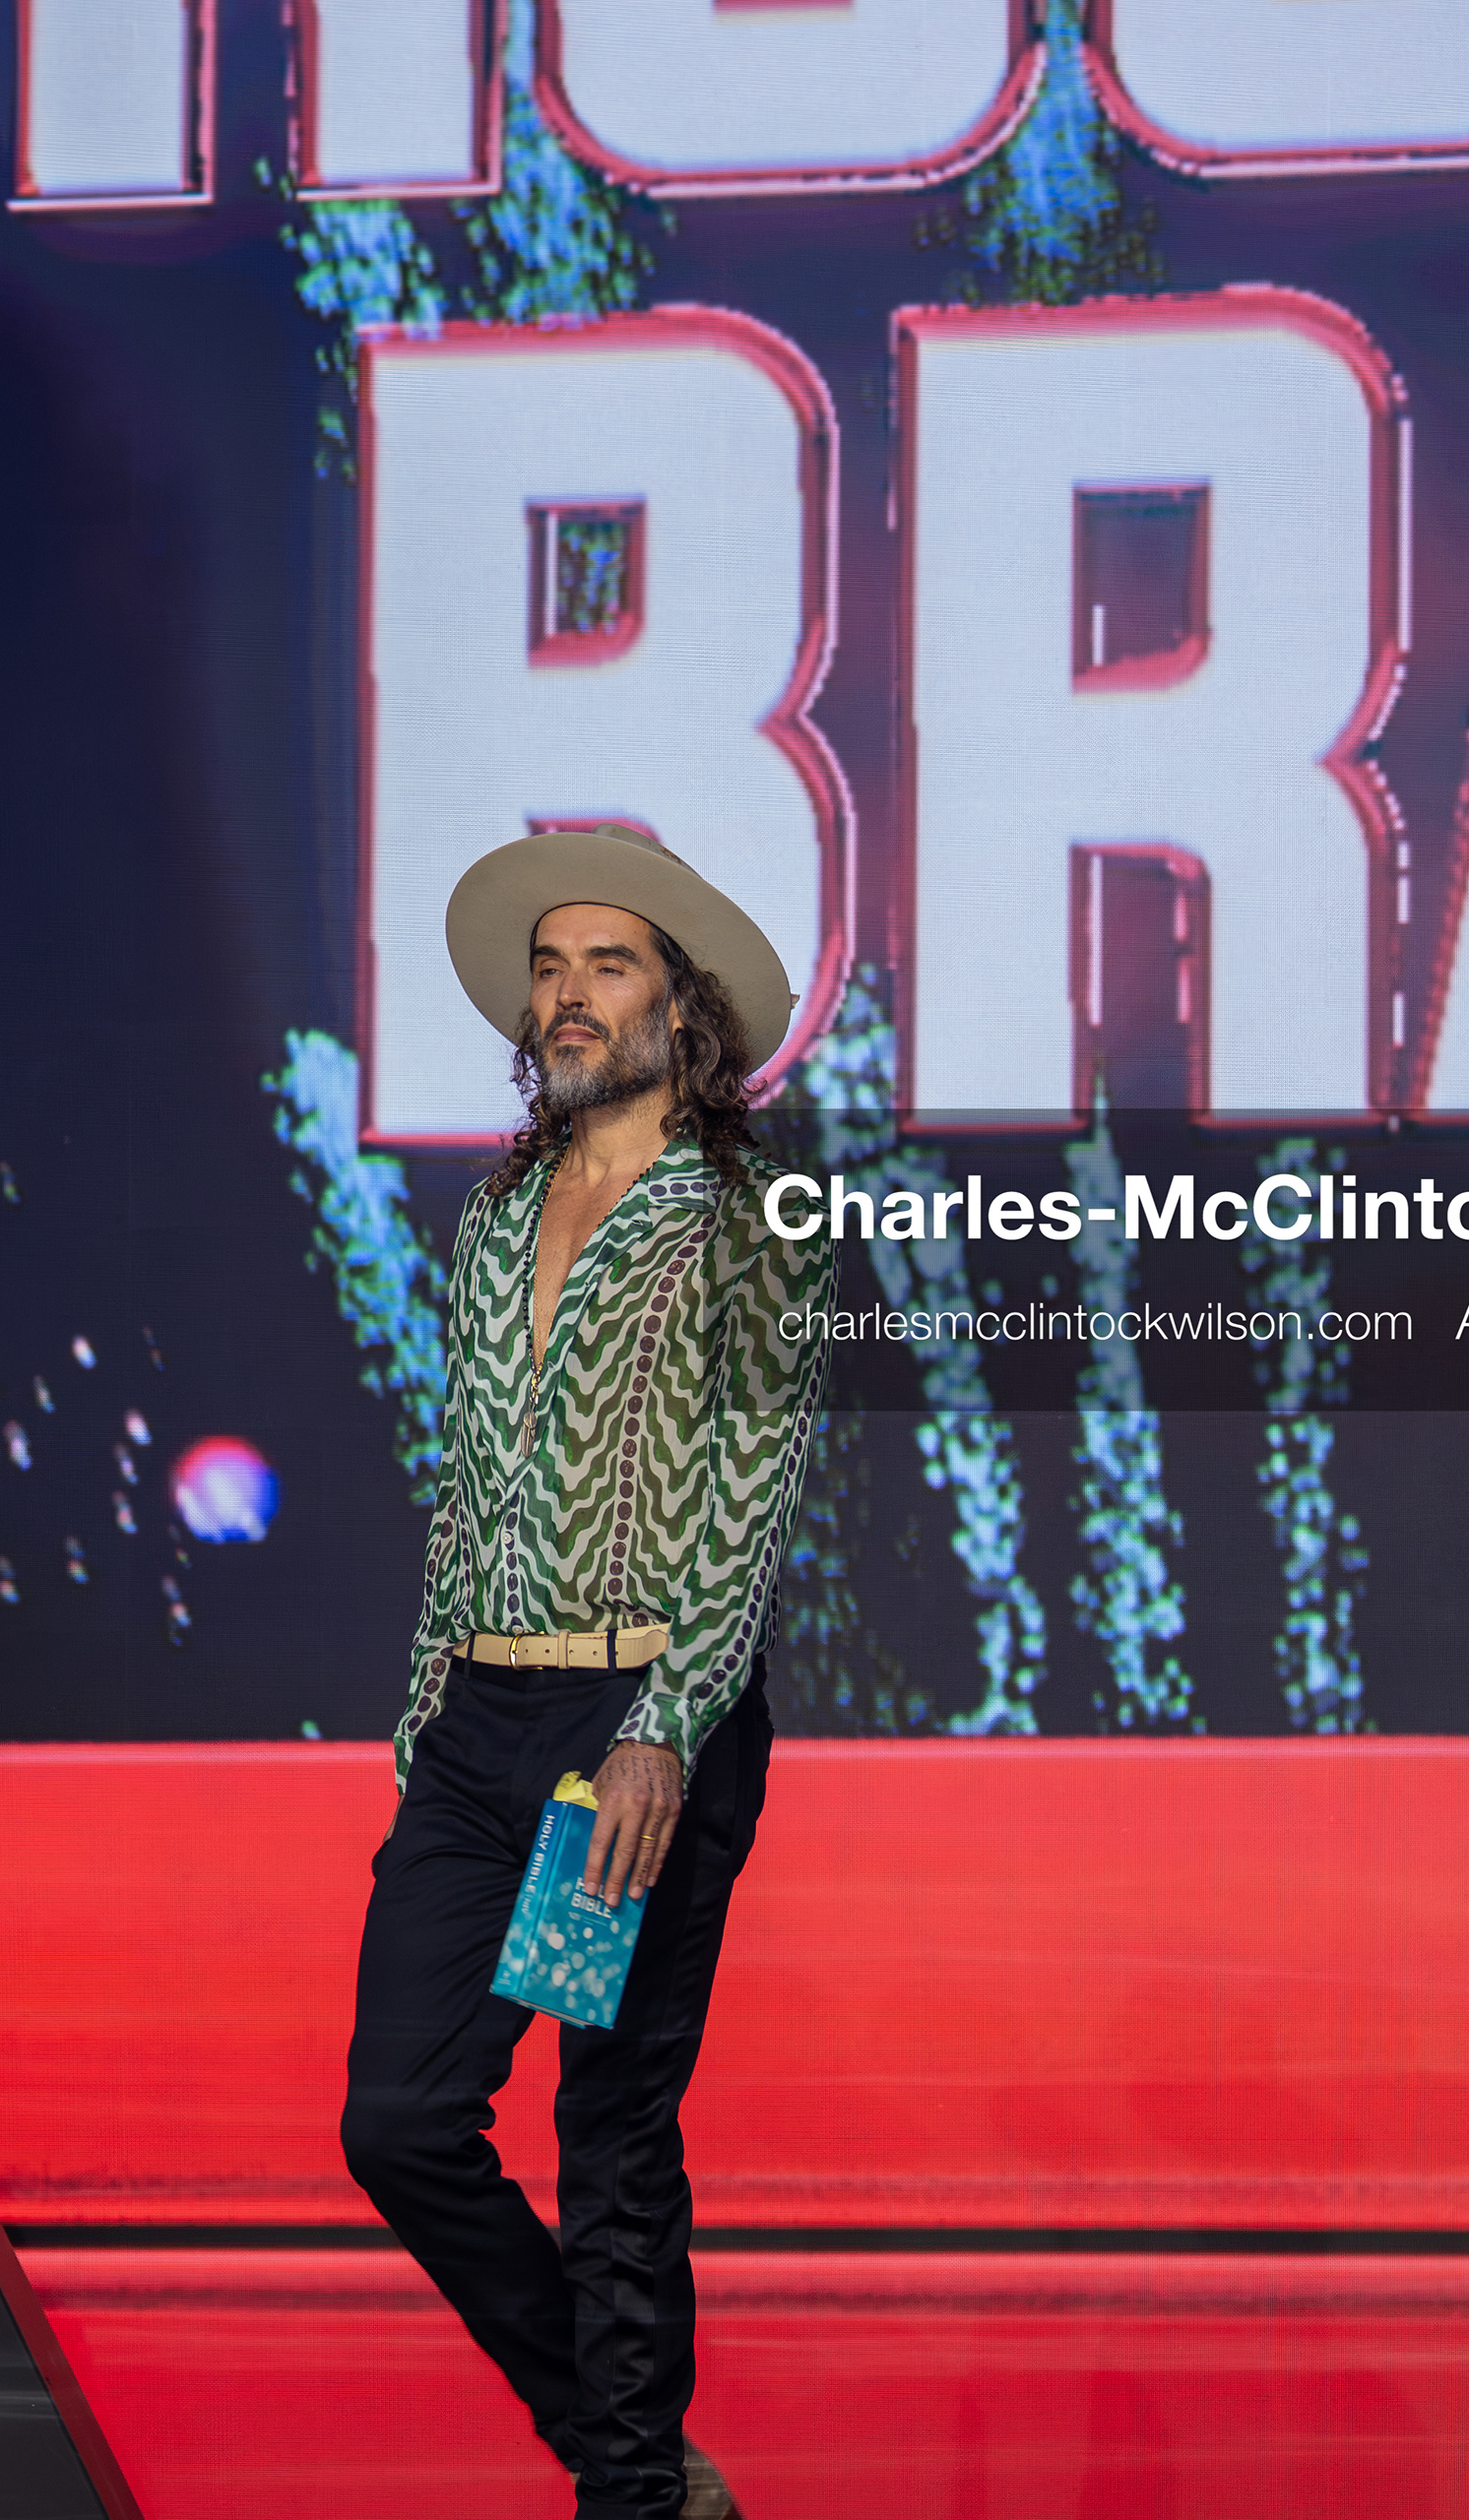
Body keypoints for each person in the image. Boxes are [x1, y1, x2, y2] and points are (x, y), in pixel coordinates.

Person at [341, 824, 831, 2520]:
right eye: (550, 969)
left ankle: (633, 2503)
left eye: (604, 966)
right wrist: (421, 1717)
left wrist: (662, 1734)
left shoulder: (752, 1217)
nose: (566, 998)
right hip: (484, 1723)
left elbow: (750, 1502)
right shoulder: (491, 1220)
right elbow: (467, 1481)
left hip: (631, 1730)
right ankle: (621, 2445)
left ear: (677, 1007)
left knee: (609, 2143)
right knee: (399, 2122)